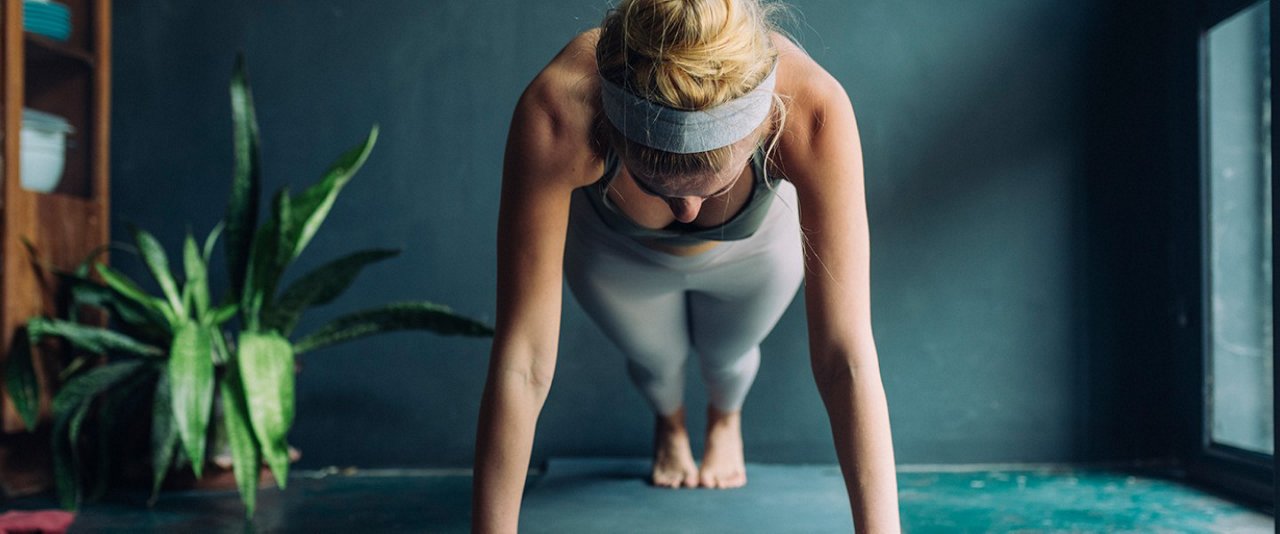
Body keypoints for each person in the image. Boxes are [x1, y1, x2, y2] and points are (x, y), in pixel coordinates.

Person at [472, 0, 900, 531]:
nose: (687, 212)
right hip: (616, 256)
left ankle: (725, 416)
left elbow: (846, 358)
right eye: (657, 186)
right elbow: (523, 362)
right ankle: (670, 423)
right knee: (657, 366)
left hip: (755, 253)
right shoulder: (559, 108)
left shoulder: (813, 107)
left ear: (766, 123)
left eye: (711, 187)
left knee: (729, 357)